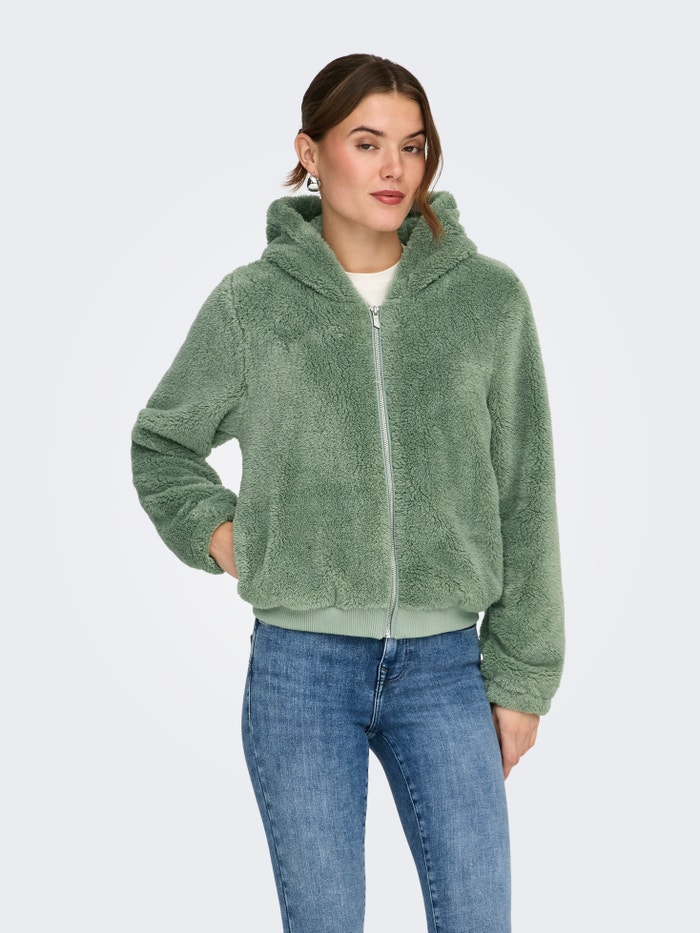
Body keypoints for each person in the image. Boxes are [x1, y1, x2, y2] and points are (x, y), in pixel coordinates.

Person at [131, 53, 565, 933]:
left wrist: (523, 677)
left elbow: (527, 490)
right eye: (366, 143)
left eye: (413, 145)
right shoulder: (252, 306)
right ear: (311, 152)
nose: (394, 167)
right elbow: (162, 445)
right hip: (301, 670)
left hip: (446, 668)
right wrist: (230, 539)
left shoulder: (488, 301)